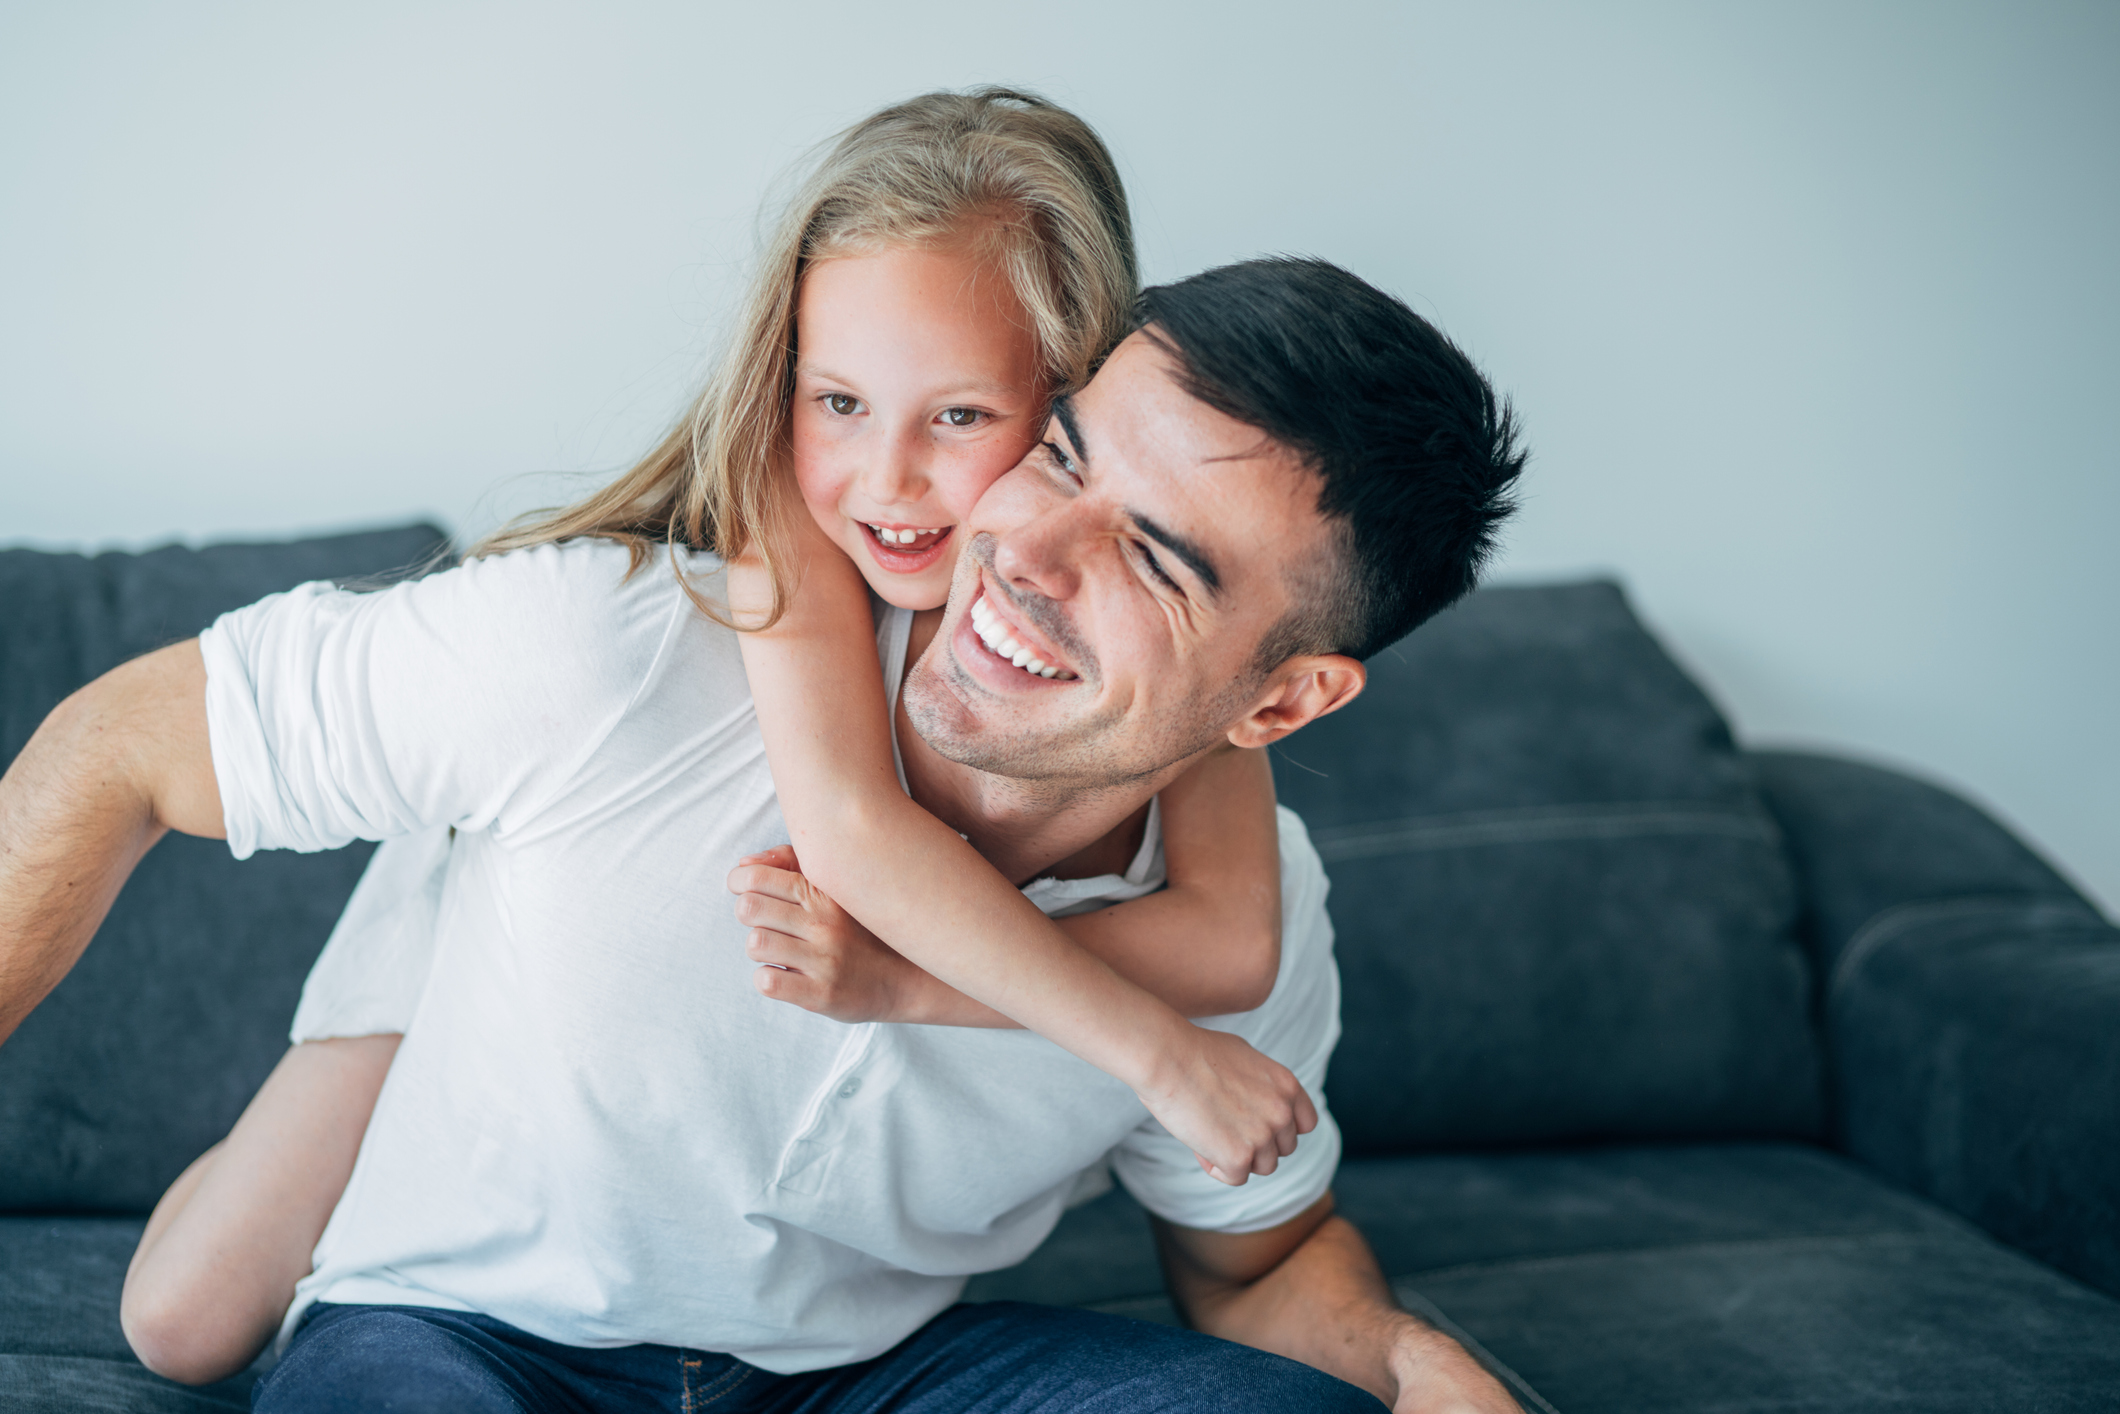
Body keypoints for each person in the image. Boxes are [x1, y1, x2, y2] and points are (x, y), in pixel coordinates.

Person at [0, 252, 1527, 1409]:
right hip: (460, 1324)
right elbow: (117, 740)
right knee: (211, 1316)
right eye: (1062, 451)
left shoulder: (1248, 910)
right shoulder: (626, 651)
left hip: (859, 1378)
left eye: (1156, 556)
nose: (1024, 551)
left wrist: (1408, 1361)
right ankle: (404, 975)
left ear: (1284, 702)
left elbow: (1257, 1259)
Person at [111, 86, 1317, 1386]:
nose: (889, 479)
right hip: (478, 878)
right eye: (837, 399)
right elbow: (852, 831)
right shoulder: (783, 510)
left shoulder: (1153, 672)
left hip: (808, 1328)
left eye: (961, 416)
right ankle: (432, 984)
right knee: (183, 1319)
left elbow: (1238, 931)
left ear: (1077, 411)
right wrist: (1159, 1051)